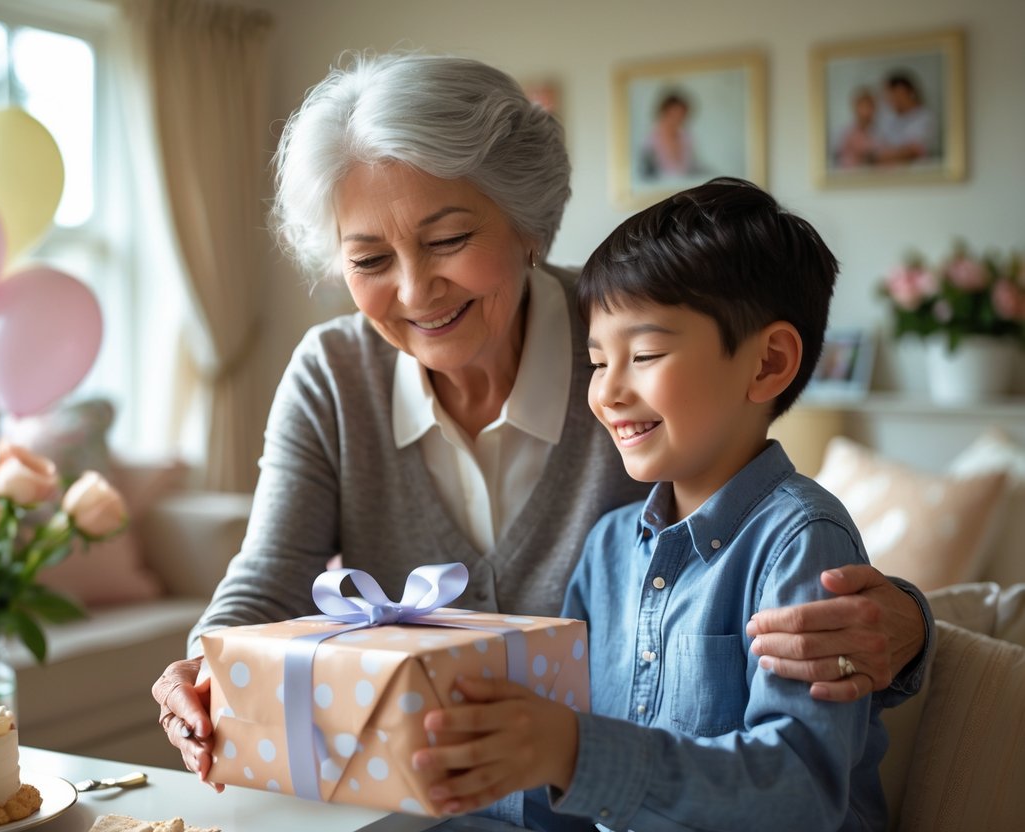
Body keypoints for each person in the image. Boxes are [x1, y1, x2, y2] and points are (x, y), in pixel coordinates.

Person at [150, 51, 933, 795]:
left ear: (527, 224)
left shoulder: (640, 357)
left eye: (448, 239)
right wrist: (202, 666)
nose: (417, 290)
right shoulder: (332, 374)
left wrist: (906, 628)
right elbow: (270, 575)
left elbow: (759, 550)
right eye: (369, 260)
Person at [414, 178, 887, 830]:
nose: (605, 392)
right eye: (595, 361)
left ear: (767, 363)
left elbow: (798, 792)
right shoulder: (608, 547)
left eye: (642, 355)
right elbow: (563, 791)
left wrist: (574, 751)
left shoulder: (800, 544)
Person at [872, 70, 938, 165]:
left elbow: (913, 152)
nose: (893, 100)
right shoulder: (889, 119)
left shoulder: (925, 117)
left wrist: (880, 156)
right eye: (890, 96)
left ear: (911, 93)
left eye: (898, 95)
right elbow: (876, 146)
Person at [638, 90, 700, 180]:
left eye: (681, 114)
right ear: (664, 113)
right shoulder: (649, 140)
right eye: (673, 114)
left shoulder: (686, 138)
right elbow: (644, 173)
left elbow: (692, 167)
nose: (677, 118)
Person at [833, 86, 879, 168]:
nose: (866, 111)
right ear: (855, 107)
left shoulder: (881, 132)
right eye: (862, 106)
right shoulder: (845, 132)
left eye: (869, 106)